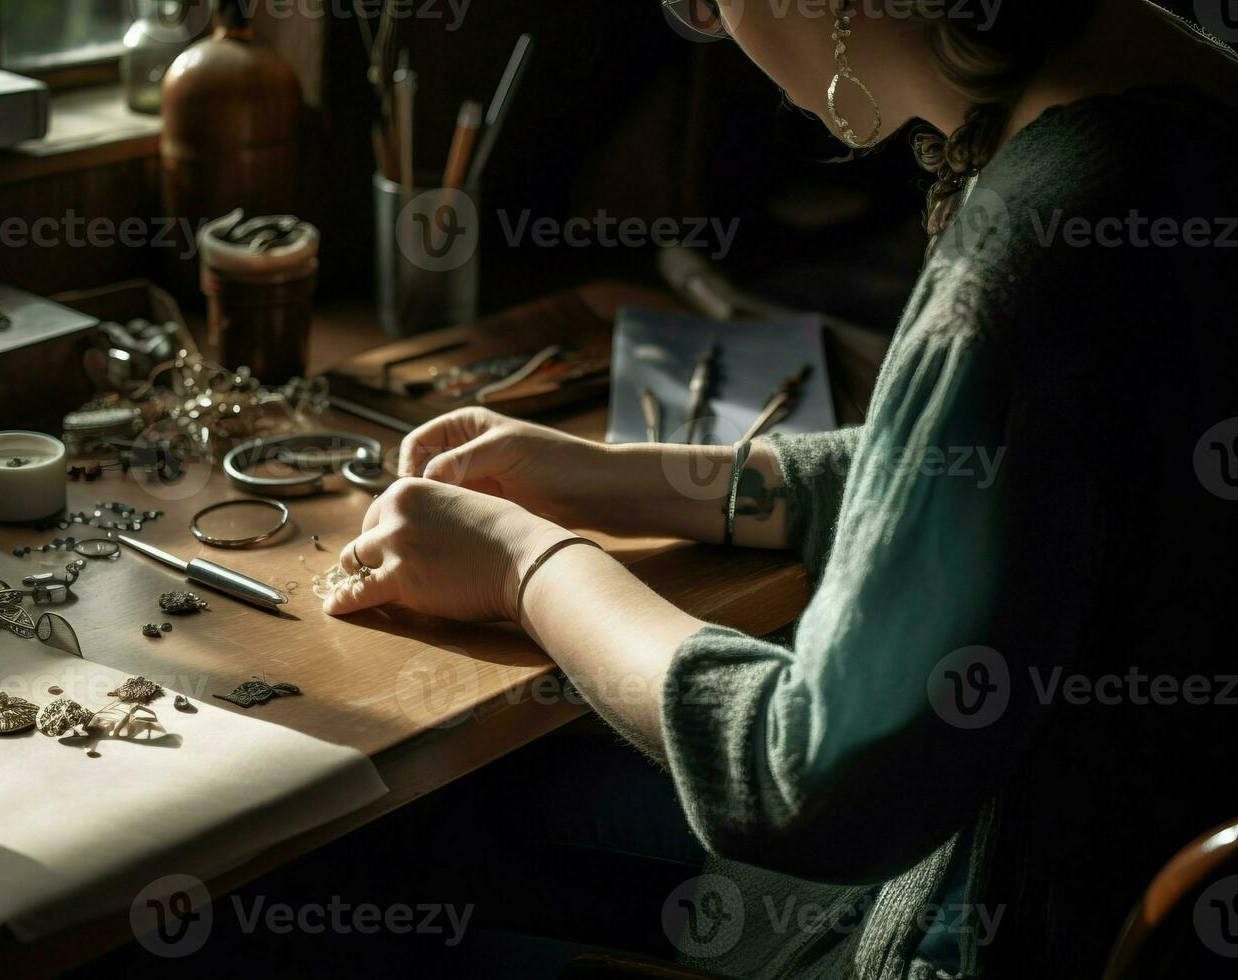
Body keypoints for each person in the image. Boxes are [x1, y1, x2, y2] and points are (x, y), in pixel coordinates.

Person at [326, 1, 1238, 975]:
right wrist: (645, 481)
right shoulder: (1177, 88)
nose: (712, 21)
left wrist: (526, 564)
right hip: (1109, 870)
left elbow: (796, 781)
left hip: (1001, 926)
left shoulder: (1026, 256)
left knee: (396, 897)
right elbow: (1013, 477)